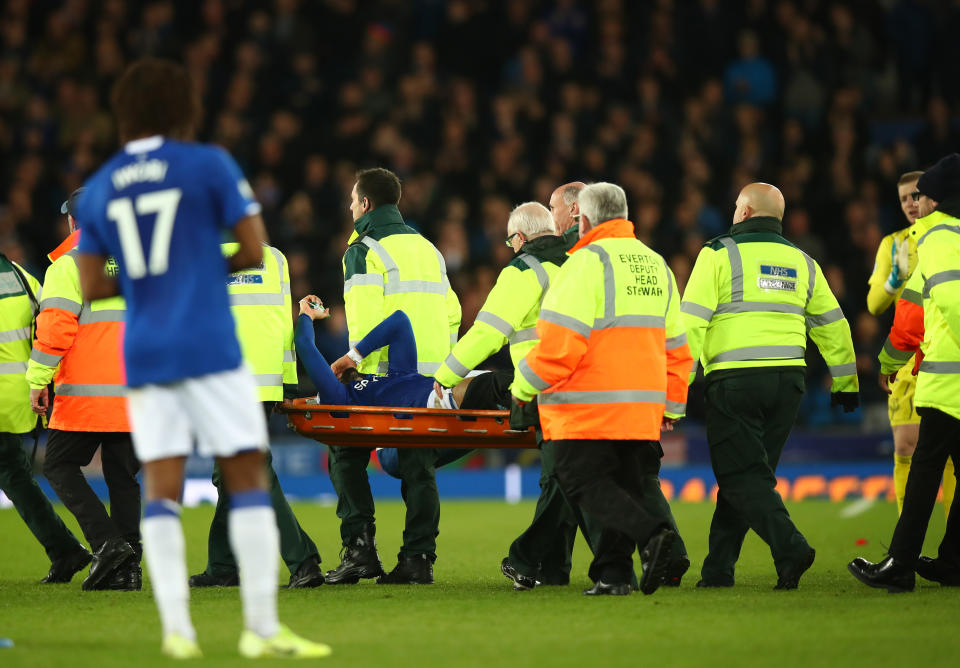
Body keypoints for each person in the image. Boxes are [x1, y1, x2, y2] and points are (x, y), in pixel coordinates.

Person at [73, 58, 328, 659]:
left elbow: (91, 286)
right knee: (245, 473)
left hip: (148, 350)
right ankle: (261, 627)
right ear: (184, 106)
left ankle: (177, 630)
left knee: (161, 482)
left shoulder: (104, 183)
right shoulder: (208, 163)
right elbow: (254, 250)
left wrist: (147, 277)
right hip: (210, 342)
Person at [511, 182, 693, 596]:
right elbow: (680, 348)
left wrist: (523, 386)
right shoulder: (656, 264)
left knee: (579, 480)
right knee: (624, 485)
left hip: (588, 407)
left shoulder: (582, 265)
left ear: (584, 219)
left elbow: (559, 346)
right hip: (643, 408)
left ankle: (653, 535)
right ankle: (612, 575)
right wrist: (673, 406)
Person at [681, 182, 859, 589]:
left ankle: (790, 547)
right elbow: (834, 324)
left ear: (743, 213)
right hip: (788, 383)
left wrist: (679, 385)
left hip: (735, 380)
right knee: (750, 476)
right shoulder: (802, 260)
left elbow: (690, 322)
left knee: (741, 476)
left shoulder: (718, 253)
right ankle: (718, 570)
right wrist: (846, 382)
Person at [326, 167, 461, 586]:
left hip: (386, 376)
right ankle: (418, 559)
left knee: (344, 448)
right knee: (419, 465)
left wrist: (354, 369)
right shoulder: (429, 248)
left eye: (353, 200)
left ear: (365, 204)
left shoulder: (363, 249)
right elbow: (453, 312)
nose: (350, 207)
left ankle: (360, 549)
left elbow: (367, 322)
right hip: (434, 379)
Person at [850, 154, 960, 591]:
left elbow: (918, 312)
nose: (918, 204)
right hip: (943, 376)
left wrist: (889, 362)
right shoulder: (920, 239)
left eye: (923, 195)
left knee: (924, 467)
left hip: (948, 381)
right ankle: (953, 561)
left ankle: (900, 563)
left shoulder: (934, 239)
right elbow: (887, 301)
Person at [188, 242, 324, 590]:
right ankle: (222, 566)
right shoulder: (275, 257)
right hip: (263, 381)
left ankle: (302, 559)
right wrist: (287, 381)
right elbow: (282, 323)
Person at [26, 189, 141, 592]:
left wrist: (37, 379)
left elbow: (55, 329)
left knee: (58, 467)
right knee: (123, 476)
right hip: (135, 394)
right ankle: (129, 568)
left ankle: (109, 547)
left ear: (73, 222)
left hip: (87, 396)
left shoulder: (68, 265)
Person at [867, 171, 956, 516]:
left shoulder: (948, 234)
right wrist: (895, 278)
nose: (910, 203)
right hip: (907, 354)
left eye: (916, 196)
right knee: (905, 446)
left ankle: (951, 541)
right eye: (904, 198)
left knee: (949, 449)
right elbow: (875, 304)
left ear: (931, 197)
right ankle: (906, 543)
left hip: (945, 350)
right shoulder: (894, 244)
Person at [0, 248, 91, 584]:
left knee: (14, 473)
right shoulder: (22, 277)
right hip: (19, 393)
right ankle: (65, 550)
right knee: (13, 473)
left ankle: (65, 550)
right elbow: (49, 325)